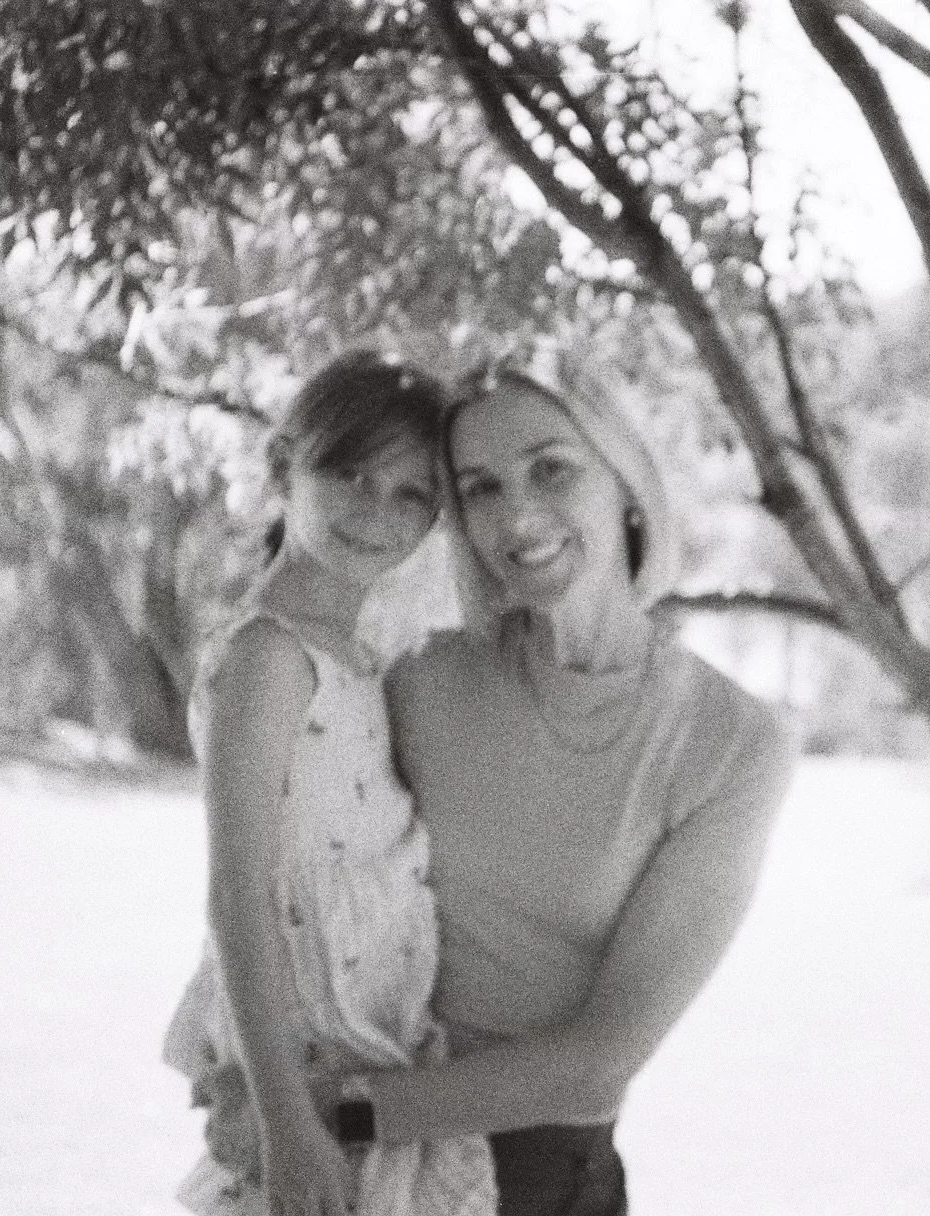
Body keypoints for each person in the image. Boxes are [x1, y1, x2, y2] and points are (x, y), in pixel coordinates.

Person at [335, 367, 796, 1215]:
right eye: (481, 489)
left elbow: (598, 1061)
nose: (515, 517)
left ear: (624, 483)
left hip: (534, 1179)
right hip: (359, 1166)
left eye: (553, 469)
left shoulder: (732, 744)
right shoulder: (419, 683)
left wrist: (327, 1115)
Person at [162, 351, 496, 1216]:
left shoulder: (362, 656)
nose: (375, 511)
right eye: (348, 473)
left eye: (412, 494)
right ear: (282, 469)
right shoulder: (271, 656)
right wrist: (285, 1125)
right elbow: (239, 897)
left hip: (377, 1061)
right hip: (306, 1080)